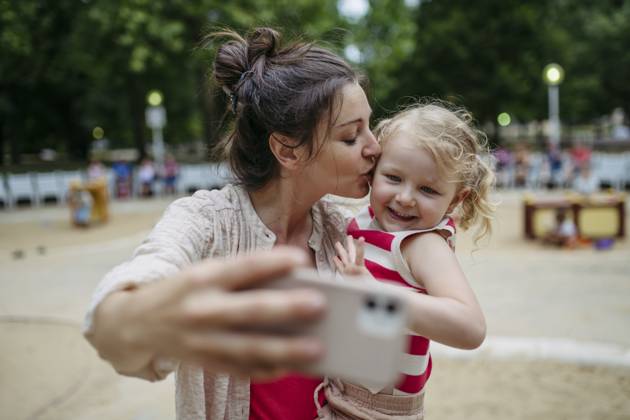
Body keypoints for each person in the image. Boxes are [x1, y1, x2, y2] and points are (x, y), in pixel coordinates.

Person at [83, 27, 380, 420]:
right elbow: (120, 315)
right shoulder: (207, 222)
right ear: (287, 150)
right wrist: (135, 316)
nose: (375, 147)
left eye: (369, 127)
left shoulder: (345, 232)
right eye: (351, 137)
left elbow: (376, 373)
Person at [325, 102, 494, 419]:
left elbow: (470, 327)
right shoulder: (365, 221)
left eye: (428, 189)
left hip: (378, 410)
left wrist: (378, 296)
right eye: (393, 177)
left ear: (456, 199)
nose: (405, 197)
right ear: (373, 171)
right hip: (335, 394)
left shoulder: (422, 244)